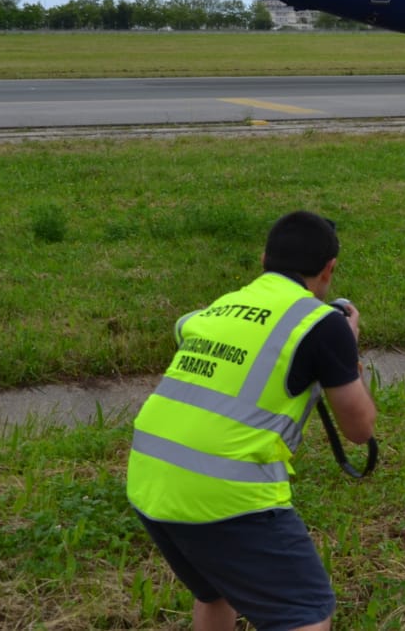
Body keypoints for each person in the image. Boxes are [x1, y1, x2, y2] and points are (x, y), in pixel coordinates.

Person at [127, 210, 377, 631]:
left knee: (215, 592)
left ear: (263, 259)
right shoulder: (322, 325)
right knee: (306, 614)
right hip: (227, 497)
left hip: (150, 480)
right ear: (329, 270)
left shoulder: (219, 307)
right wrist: (344, 349)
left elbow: (185, 329)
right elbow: (360, 429)